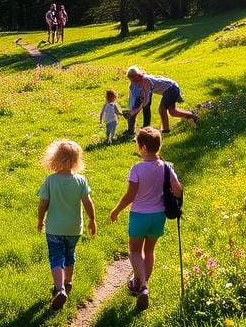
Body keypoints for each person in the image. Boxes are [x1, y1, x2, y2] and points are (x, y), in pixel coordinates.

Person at [109, 127, 182, 310]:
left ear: (141, 147)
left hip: (139, 216)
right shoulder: (166, 167)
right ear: (159, 146)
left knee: (134, 250)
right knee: (149, 251)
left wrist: (116, 210)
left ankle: (141, 285)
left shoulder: (137, 169)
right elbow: (178, 189)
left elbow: (130, 196)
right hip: (158, 217)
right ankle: (141, 285)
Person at [37, 139, 97, 310]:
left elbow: (43, 204)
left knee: (56, 257)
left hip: (54, 228)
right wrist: (92, 220)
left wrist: (40, 220)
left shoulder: (51, 181)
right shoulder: (80, 180)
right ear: (76, 161)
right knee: (69, 255)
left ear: (55, 159)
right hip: (74, 228)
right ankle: (68, 282)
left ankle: (59, 288)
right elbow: (88, 202)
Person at [126, 65, 198, 134]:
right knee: (173, 112)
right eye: (132, 80)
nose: (134, 82)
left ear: (138, 75)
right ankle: (192, 116)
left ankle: (165, 130)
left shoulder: (145, 80)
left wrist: (136, 110)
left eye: (134, 79)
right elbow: (141, 94)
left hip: (171, 88)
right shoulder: (138, 81)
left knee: (162, 109)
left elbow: (147, 99)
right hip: (170, 88)